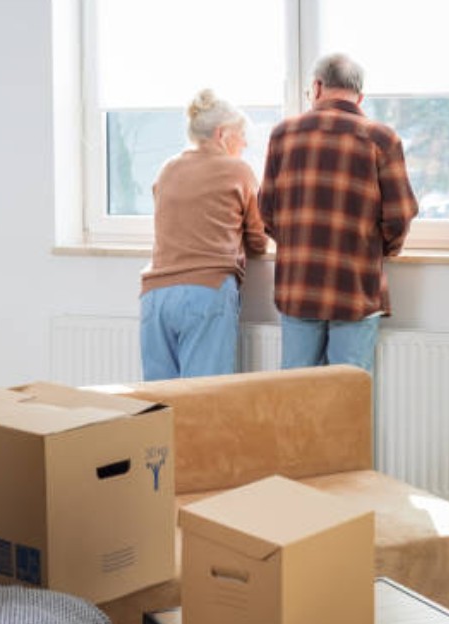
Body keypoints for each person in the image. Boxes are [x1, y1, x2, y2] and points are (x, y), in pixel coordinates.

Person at [259, 53, 418, 373]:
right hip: (355, 287)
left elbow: (267, 211)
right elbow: (399, 215)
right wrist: (376, 250)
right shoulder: (382, 138)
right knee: (349, 397)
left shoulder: (283, 134)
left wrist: (298, 242)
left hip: (298, 286)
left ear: (317, 88)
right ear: (359, 96)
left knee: (296, 392)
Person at [140, 89, 269, 380]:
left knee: (160, 403)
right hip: (205, 291)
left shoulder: (167, 169)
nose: (245, 142)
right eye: (241, 134)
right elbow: (258, 240)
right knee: (205, 400)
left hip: (155, 295)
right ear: (222, 134)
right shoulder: (238, 170)